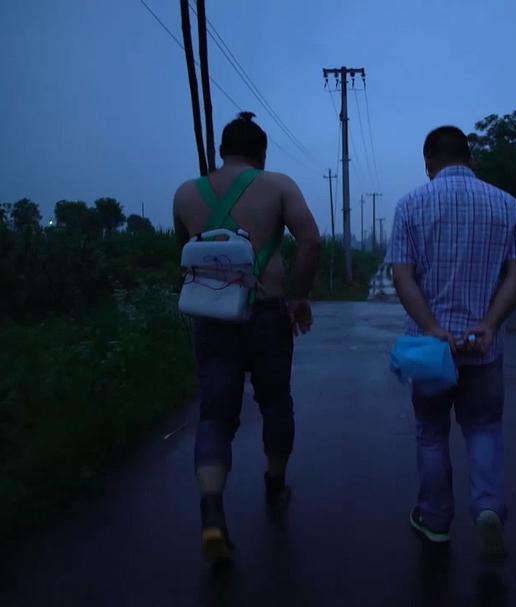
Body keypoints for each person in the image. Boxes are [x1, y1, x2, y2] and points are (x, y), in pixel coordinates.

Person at [172, 112, 321, 563]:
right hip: (267, 313)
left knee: (215, 416)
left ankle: (212, 512)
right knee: (275, 404)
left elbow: (184, 254)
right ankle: (275, 485)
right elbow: (311, 240)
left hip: (212, 318)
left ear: (222, 150)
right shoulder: (277, 185)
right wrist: (299, 297)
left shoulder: (185, 193)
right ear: (261, 153)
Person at [386, 125, 516, 560]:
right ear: (471, 159)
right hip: (484, 348)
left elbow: (402, 276)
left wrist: (431, 326)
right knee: (484, 427)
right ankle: (487, 507)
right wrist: (489, 324)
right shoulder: (507, 204)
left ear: (428, 163)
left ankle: (435, 521)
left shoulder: (411, 204)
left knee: (432, 434)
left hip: (432, 351)